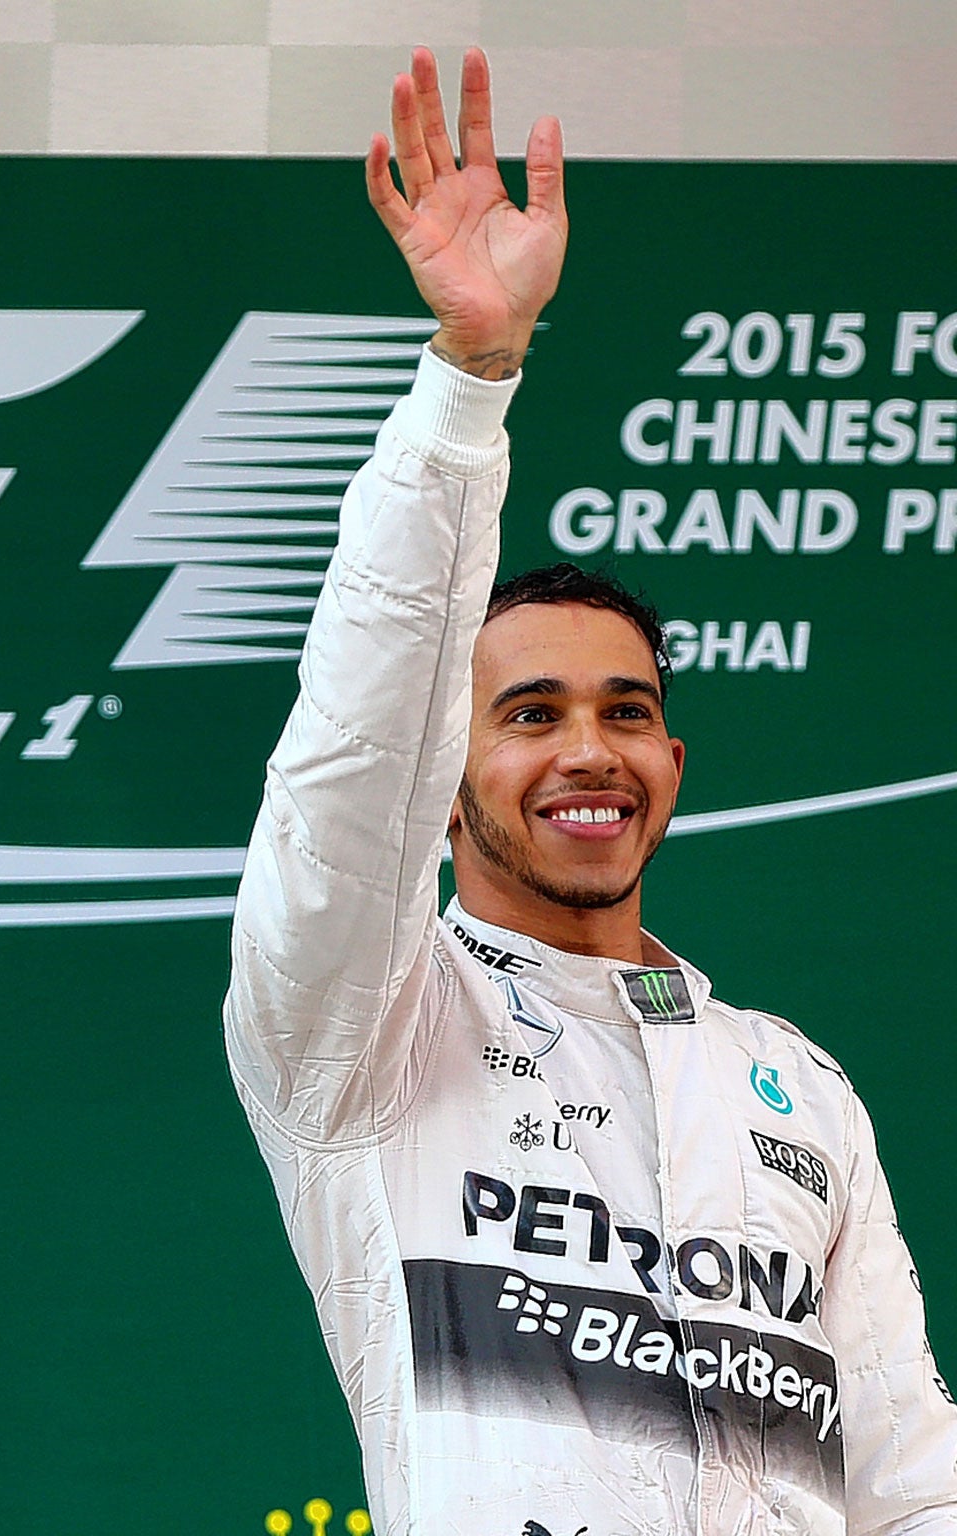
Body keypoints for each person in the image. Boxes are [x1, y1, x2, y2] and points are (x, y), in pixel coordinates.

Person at [223, 46, 957, 1536]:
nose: (586, 750)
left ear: (671, 770)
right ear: (446, 783)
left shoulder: (798, 1086)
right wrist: (468, 379)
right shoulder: (364, 1032)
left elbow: (907, 1480)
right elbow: (357, 749)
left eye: (626, 711)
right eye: (528, 714)